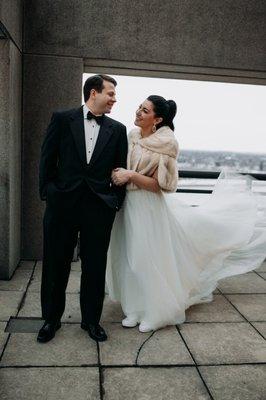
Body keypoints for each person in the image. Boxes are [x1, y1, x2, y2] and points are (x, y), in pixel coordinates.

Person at [107, 95, 266, 333]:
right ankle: (135, 309)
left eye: (145, 110)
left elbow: (162, 185)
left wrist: (130, 176)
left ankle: (155, 311)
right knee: (129, 260)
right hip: (128, 207)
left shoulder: (166, 144)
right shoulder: (131, 137)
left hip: (149, 208)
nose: (138, 112)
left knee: (148, 260)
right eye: (139, 108)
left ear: (157, 119)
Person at [37, 74, 128, 343]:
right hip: (61, 205)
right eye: (110, 93)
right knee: (55, 264)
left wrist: (115, 201)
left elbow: (119, 168)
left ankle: (91, 321)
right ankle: (50, 321)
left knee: (95, 266)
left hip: (98, 208)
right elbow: (46, 159)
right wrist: (48, 193)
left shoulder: (118, 129)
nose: (114, 99)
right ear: (93, 93)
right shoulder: (63, 119)